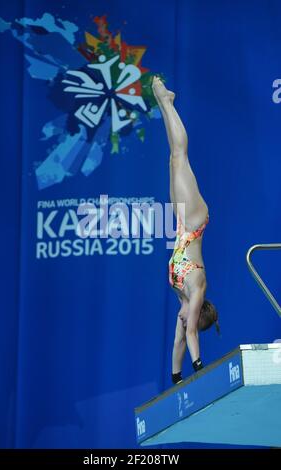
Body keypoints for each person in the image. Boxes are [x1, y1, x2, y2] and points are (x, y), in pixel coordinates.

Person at [152, 76, 220, 385]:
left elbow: (179, 340)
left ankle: (165, 102)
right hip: (194, 220)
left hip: (183, 224)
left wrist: (176, 376)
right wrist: (198, 366)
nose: (180, 322)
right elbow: (191, 333)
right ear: (198, 312)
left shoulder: (182, 299)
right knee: (180, 157)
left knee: (172, 160)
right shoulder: (196, 290)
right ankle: (166, 102)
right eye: (188, 319)